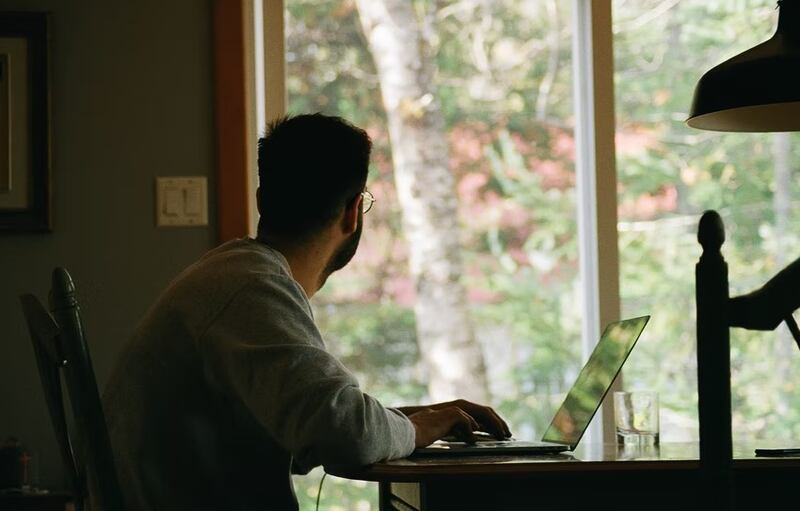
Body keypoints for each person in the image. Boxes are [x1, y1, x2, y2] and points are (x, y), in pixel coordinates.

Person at [102, 113, 511, 510]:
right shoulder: (252, 288)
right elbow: (345, 436)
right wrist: (418, 429)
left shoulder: (232, 275)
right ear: (352, 213)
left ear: (262, 200)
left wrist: (409, 421)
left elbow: (309, 423)